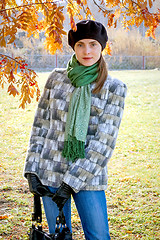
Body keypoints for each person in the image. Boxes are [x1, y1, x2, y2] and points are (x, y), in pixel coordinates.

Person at [24, 20, 127, 240]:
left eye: (93, 44)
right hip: (49, 173)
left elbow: (104, 143)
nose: (87, 50)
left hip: (88, 178)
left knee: (98, 236)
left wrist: (71, 182)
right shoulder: (56, 78)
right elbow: (40, 125)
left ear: (102, 47)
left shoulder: (113, 87)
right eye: (80, 44)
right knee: (59, 236)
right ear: (73, 47)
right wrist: (32, 169)